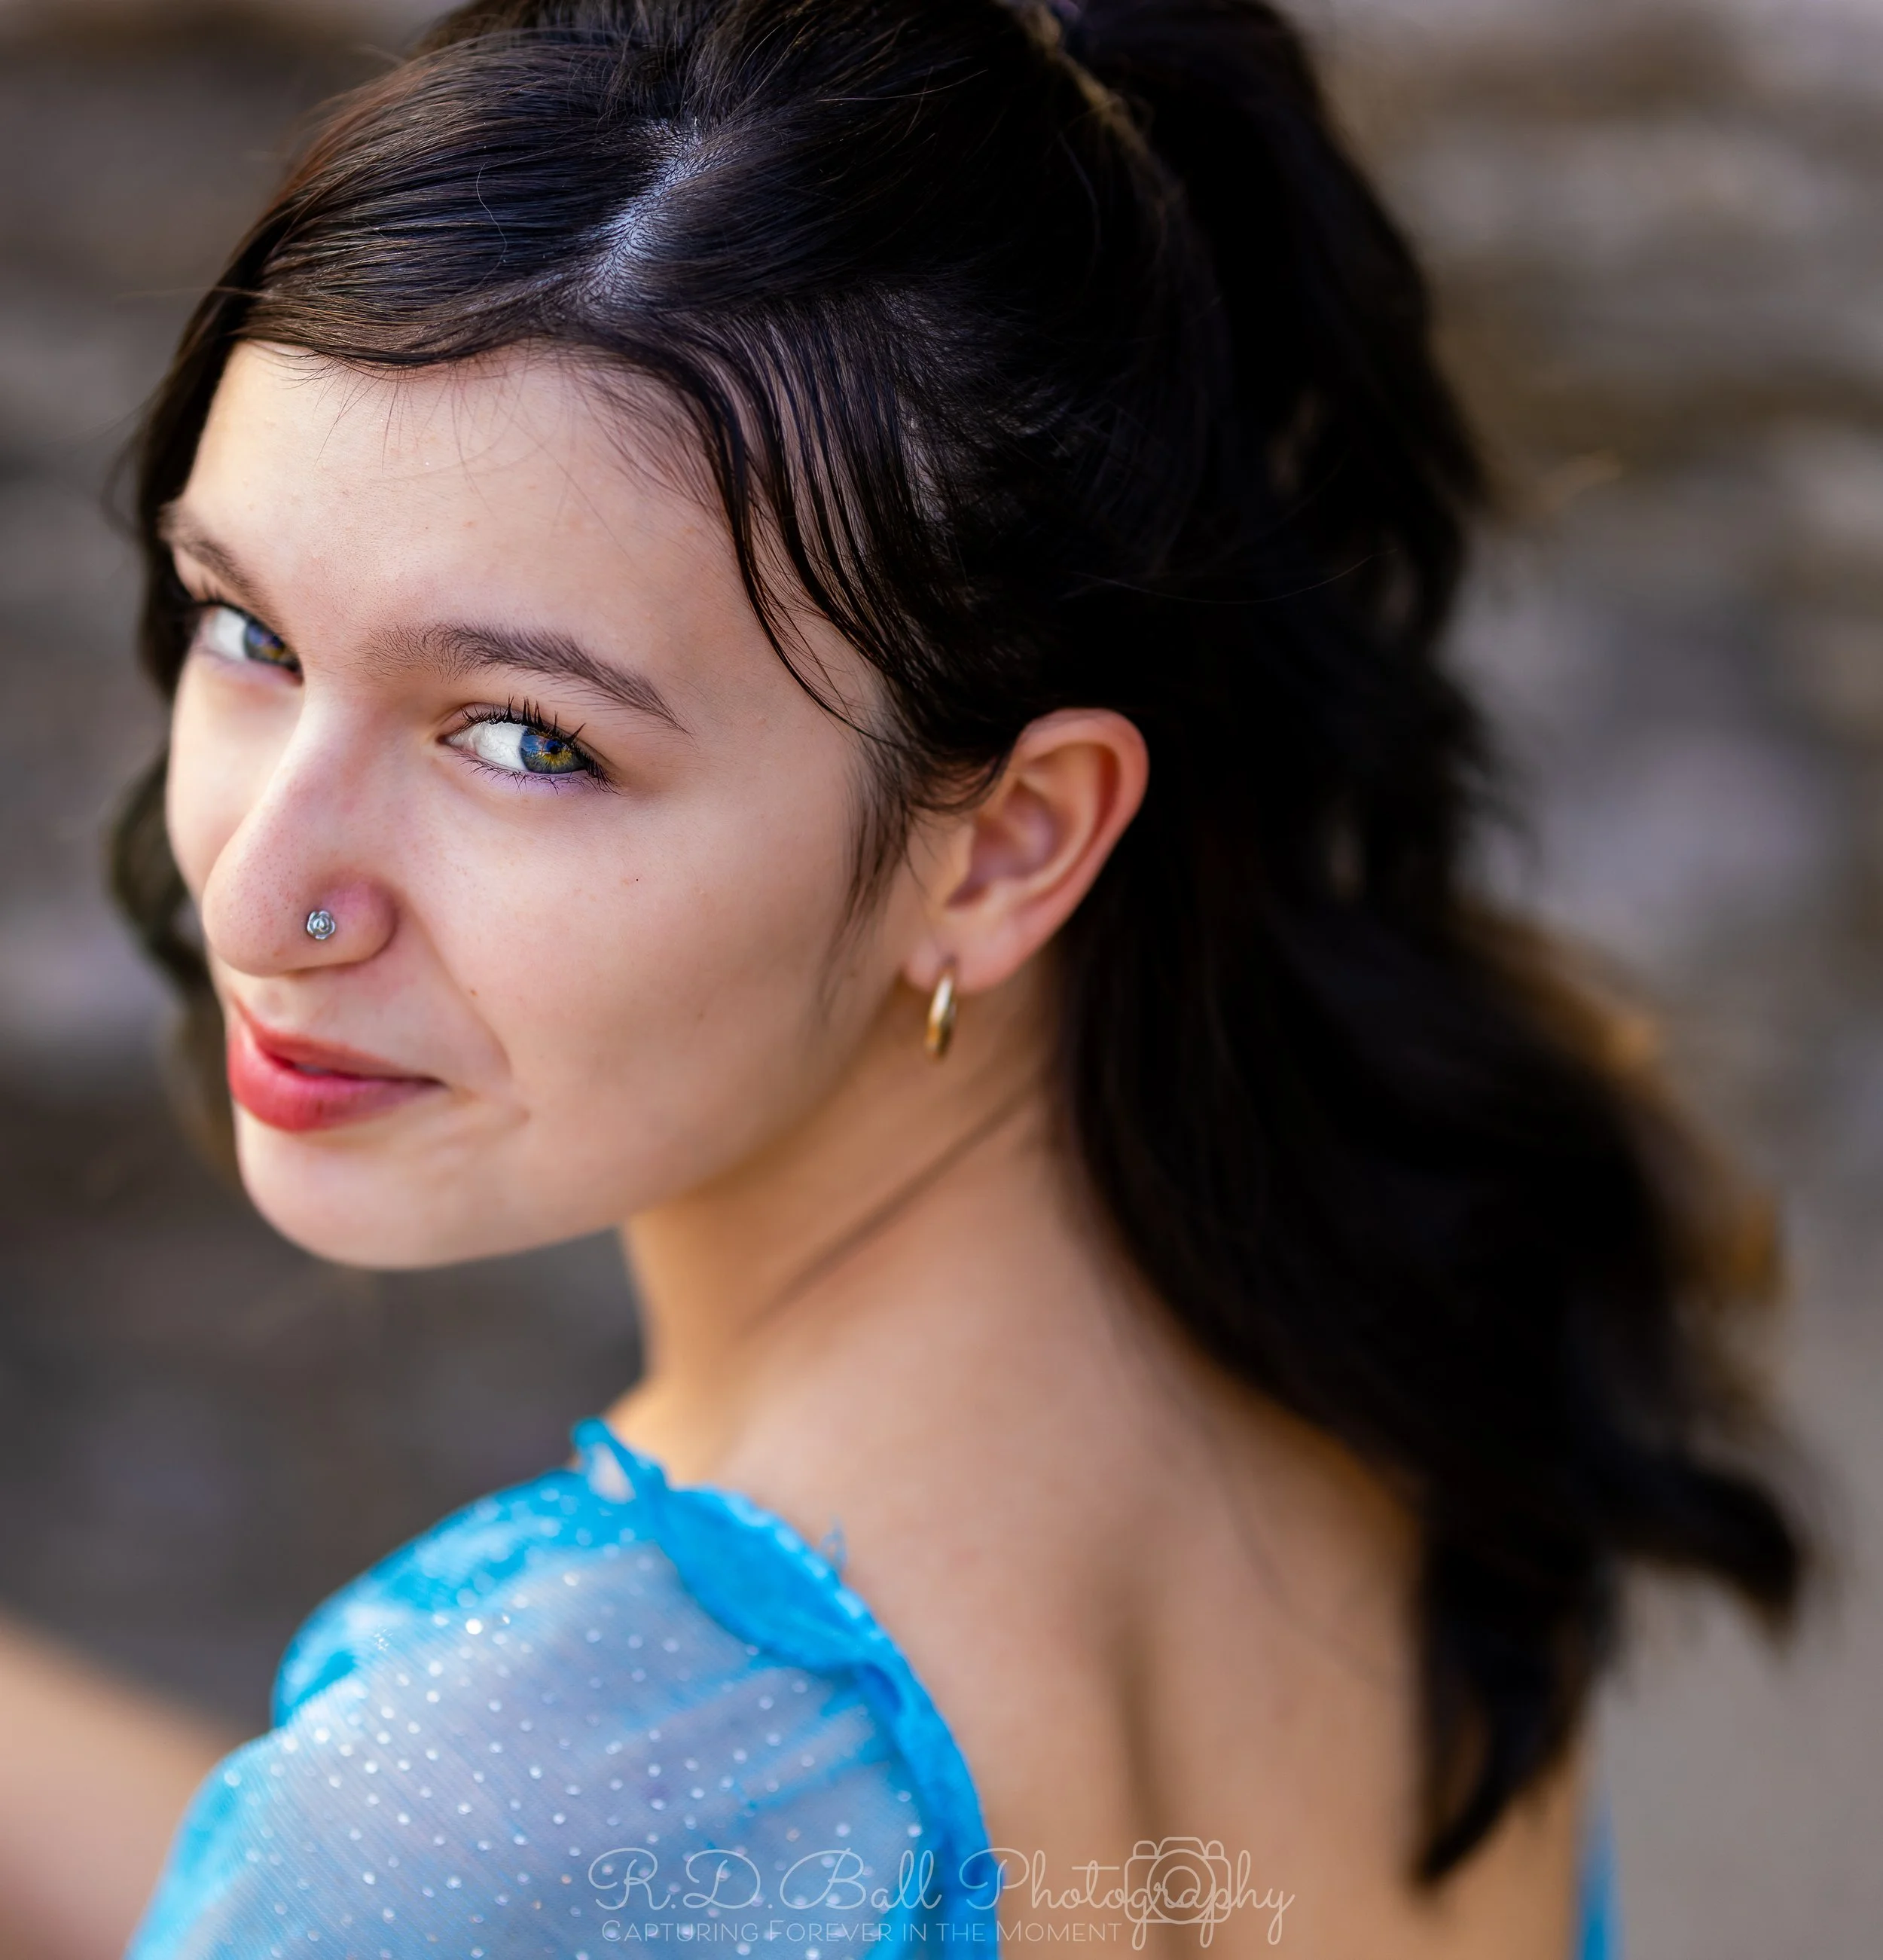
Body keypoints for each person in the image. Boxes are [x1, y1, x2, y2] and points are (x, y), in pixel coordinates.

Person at [66, 0, 1807, 1953]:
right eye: (245, 629)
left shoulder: (474, 1823)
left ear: (1005, 846)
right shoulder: (1411, 1377)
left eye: (528, 739)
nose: (259, 897)